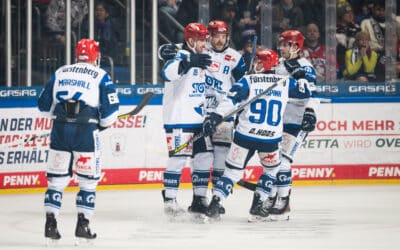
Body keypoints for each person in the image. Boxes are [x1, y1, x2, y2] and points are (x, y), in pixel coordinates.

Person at [205, 48, 312, 221]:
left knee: (231, 173)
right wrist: (300, 76)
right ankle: (258, 204)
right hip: (269, 139)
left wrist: (215, 116)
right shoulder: (285, 82)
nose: (256, 64)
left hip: (244, 136)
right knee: (271, 170)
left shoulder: (248, 80)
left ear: (265, 63)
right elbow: (305, 92)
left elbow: (230, 99)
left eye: (259, 61)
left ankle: (215, 203)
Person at [38, 38, 119, 243]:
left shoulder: (60, 71)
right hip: (85, 131)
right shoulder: (101, 75)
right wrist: (99, 125)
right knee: (88, 181)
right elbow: (111, 113)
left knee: (56, 180)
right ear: (95, 57)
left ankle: (50, 223)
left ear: (77, 55)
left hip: (60, 131)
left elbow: (44, 106)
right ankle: (83, 225)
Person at [188, 20, 246, 218]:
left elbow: (243, 87)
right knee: (202, 157)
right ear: (209, 37)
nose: (219, 40)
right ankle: (198, 199)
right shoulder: (200, 51)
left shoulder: (235, 58)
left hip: (223, 115)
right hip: (199, 113)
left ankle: (216, 200)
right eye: (215, 36)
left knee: (221, 155)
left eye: (223, 36)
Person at [160, 23, 212, 218]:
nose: (205, 43)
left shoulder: (204, 57)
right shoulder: (179, 55)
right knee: (178, 159)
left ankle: (199, 199)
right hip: (178, 119)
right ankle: (170, 200)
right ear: (190, 40)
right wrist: (189, 61)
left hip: (198, 119)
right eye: (201, 40)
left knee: (204, 157)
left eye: (206, 40)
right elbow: (167, 73)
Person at [269, 29, 318, 221]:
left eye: (285, 44)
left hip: (296, 121)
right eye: (280, 44)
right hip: (278, 121)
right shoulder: (278, 64)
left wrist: (310, 113)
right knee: (272, 160)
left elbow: (313, 95)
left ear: (296, 46)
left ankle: (283, 200)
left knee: (283, 161)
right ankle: (271, 195)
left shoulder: (305, 67)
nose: (281, 47)